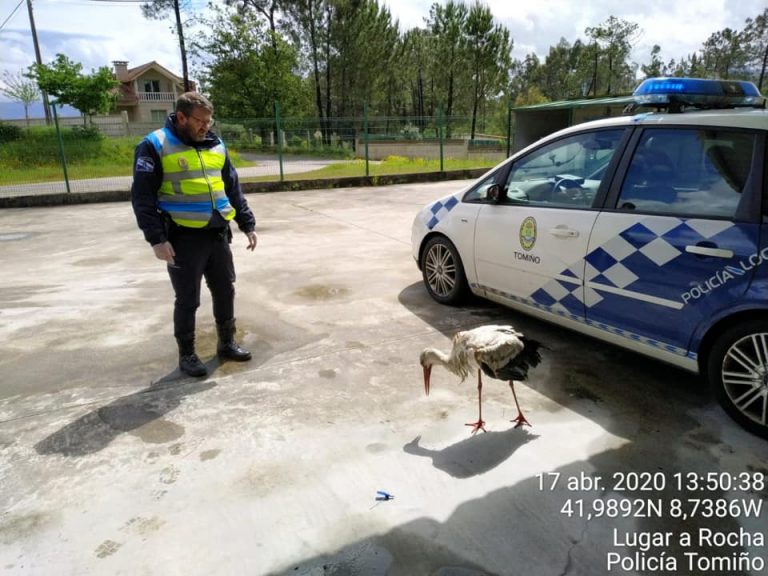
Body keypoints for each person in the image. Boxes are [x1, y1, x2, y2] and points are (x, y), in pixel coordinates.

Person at [131, 92, 257, 377]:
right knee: (188, 299)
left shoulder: (216, 145)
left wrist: (246, 223)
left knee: (225, 290)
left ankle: (226, 343)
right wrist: (156, 239)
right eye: (200, 122)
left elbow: (232, 187)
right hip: (181, 238)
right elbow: (142, 197)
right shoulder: (154, 145)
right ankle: (187, 355)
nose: (205, 127)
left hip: (217, 234)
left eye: (209, 122)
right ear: (181, 117)